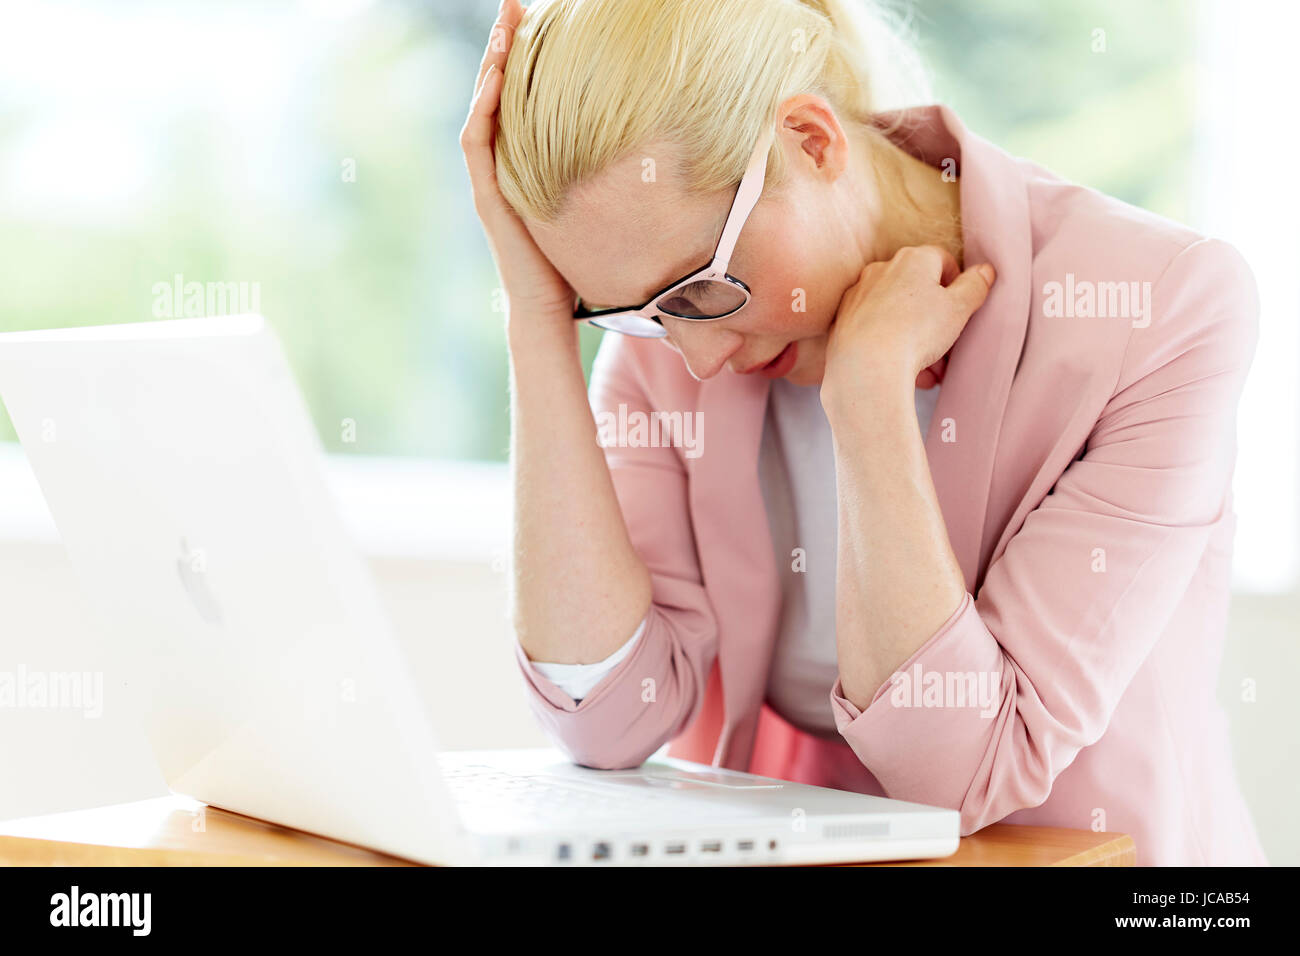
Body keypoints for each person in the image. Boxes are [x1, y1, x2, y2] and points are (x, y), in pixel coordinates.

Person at [460, 0, 1267, 865]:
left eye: (698, 290)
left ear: (812, 141)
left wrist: (871, 401)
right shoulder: (668, 330)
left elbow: (961, 778)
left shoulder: (1164, 307)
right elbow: (613, 715)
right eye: (633, 314)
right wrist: (538, 318)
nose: (694, 357)